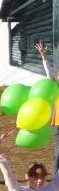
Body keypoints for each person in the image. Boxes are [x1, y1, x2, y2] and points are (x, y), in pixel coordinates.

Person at [35, 41, 59, 174]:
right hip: (58, 124)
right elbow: (49, 73)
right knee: (58, 152)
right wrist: (44, 56)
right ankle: (57, 177)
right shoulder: (54, 87)